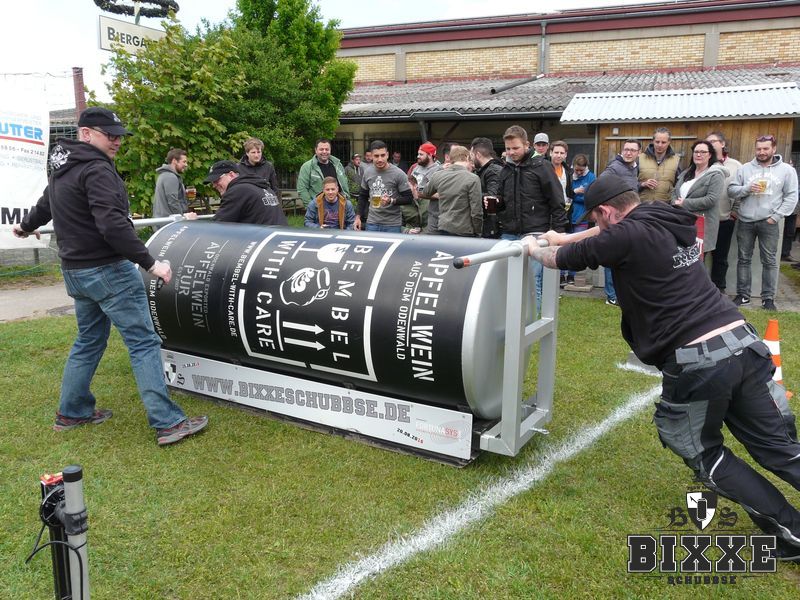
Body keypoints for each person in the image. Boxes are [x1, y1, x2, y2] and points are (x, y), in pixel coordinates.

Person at [527, 172, 800, 563]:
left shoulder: (624, 235)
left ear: (607, 212)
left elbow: (559, 260)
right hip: (743, 340)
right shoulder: (661, 214)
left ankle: (793, 533)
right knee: (778, 449)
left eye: (596, 218)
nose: (597, 226)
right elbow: (604, 236)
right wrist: (564, 235)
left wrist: (532, 248)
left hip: (701, 359)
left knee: (702, 451)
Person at [12, 107, 207, 446]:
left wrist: (26, 226)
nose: (117, 141)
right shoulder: (96, 169)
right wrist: (151, 263)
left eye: (119, 135)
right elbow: (112, 225)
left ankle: (72, 412)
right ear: (86, 133)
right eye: (110, 135)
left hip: (75, 272)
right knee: (143, 342)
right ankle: (168, 423)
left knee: (88, 341)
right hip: (108, 271)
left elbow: (46, 204)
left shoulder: (63, 166)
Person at [496, 125, 568, 313]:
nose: (511, 152)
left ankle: (530, 322)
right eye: (508, 148)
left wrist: (559, 232)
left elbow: (557, 200)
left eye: (516, 148)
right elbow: (502, 200)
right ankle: (510, 319)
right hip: (509, 232)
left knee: (532, 279)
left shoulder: (542, 166)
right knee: (506, 279)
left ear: (527, 145)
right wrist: (494, 204)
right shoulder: (505, 169)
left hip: (536, 232)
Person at [728, 134, 799, 311]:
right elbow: (731, 190)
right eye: (758, 149)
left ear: (773, 149)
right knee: (744, 259)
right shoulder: (745, 169)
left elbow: (792, 196)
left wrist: (776, 217)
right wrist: (746, 188)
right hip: (745, 221)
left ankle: (768, 299)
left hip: (769, 222)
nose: (761, 152)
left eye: (765, 148)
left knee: (769, 261)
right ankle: (743, 296)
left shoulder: (786, 170)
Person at [601, 139, 642, 305]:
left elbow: (629, 188)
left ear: (638, 153)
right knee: (612, 254)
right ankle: (611, 295)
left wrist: (641, 185)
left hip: (629, 216)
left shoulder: (633, 168)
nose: (628, 153)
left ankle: (621, 293)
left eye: (632, 150)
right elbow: (601, 184)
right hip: (616, 218)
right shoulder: (614, 167)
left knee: (624, 254)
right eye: (626, 149)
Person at [671, 139, 726, 258]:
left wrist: (684, 203)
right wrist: (675, 202)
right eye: (696, 152)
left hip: (702, 225)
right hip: (682, 222)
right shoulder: (686, 173)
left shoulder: (716, 175)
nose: (698, 154)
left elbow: (711, 199)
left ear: (710, 155)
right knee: (681, 260)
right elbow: (674, 191)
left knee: (697, 262)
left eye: (703, 152)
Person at [706, 131, 742, 293]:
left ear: (722, 144)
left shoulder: (735, 166)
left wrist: (734, 212)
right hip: (705, 220)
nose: (710, 144)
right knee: (699, 257)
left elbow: (740, 190)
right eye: (707, 141)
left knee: (720, 258)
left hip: (724, 219)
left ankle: (719, 290)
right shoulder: (704, 163)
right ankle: (700, 291)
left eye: (713, 141)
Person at [205, 160, 289, 226]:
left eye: (217, 180)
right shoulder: (263, 187)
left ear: (231, 175)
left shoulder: (237, 191)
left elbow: (218, 226)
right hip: (282, 237)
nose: (214, 185)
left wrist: (197, 224)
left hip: (263, 240)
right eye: (212, 182)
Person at [354, 140, 414, 233]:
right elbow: (362, 196)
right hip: (372, 223)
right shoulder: (368, 172)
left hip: (392, 225)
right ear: (371, 156)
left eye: (382, 155)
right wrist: (358, 217)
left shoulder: (399, 173)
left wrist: (391, 200)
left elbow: (409, 198)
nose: (380, 159)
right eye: (376, 156)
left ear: (387, 155)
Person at [424, 145, 482, 237]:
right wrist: (478, 231)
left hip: (443, 227)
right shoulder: (473, 178)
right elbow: (476, 211)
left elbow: (425, 192)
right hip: (465, 230)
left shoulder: (438, 175)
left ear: (451, 159)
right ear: (467, 157)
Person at [565, 154, 596, 285]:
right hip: (567, 216)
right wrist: (575, 192)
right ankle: (561, 275)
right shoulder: (568, 175)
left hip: (582, 217)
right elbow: (565, 194)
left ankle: (571, 276)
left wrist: (574, 194)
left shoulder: (591, 177)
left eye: (581, 170)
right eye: (576, 170)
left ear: (586, 167)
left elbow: (591, 197)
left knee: (576, 247)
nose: (578, 172)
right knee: (564, 245)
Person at [296, 138, 350, 208]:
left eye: (327, 149)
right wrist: (311, 207)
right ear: (316, 150)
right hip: (318, 207)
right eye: (321, 149)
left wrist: (346, 200)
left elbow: (345, 184)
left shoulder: (338, 165)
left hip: (339, 207)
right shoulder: (307, 167)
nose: (324, 152)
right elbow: (302, 189)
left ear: (330, 150)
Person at [470, 136, 504, 238]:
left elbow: (491, 198)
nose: (471, 159)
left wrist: (469, 194)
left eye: (471, 155)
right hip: (488, 226)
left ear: (478, 155)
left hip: (492, 228)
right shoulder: (483, 170)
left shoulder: (493, 171)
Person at [638, 127, 681, 201]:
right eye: (657, 142)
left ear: (669, 142)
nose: (660, 145)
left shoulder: (676, 160)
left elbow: (679, 186)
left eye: (663, 142)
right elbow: (630, 183)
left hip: (665, 204)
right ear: (653, 141)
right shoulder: (640, 158)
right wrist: (642, 184)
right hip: (643, 204)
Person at [152, 147, 191, 222]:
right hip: (169, 223)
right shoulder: (170, 177)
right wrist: (182, 219)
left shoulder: (165, 175)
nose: (186, 165)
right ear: (174, 161)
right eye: (184, 162)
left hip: (164, 221)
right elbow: (173, 202)